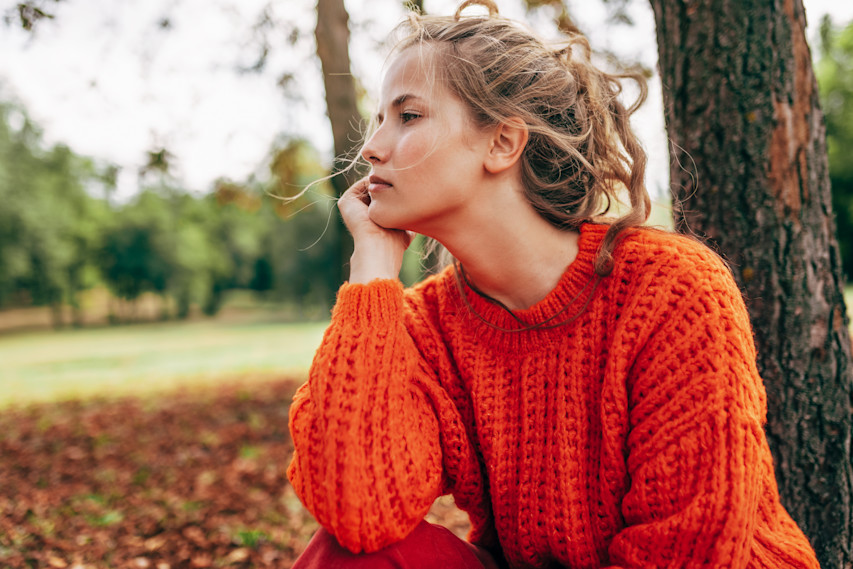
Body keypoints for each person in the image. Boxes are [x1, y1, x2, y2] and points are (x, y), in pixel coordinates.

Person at [286, 1, 821, 567]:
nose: (371, 147)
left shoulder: (672, 291)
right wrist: (371, 271)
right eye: (378, 120)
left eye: (409, 116)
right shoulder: (425, 326)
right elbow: (356, 510)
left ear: (502, 143)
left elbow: (690, 550)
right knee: (348, 555)